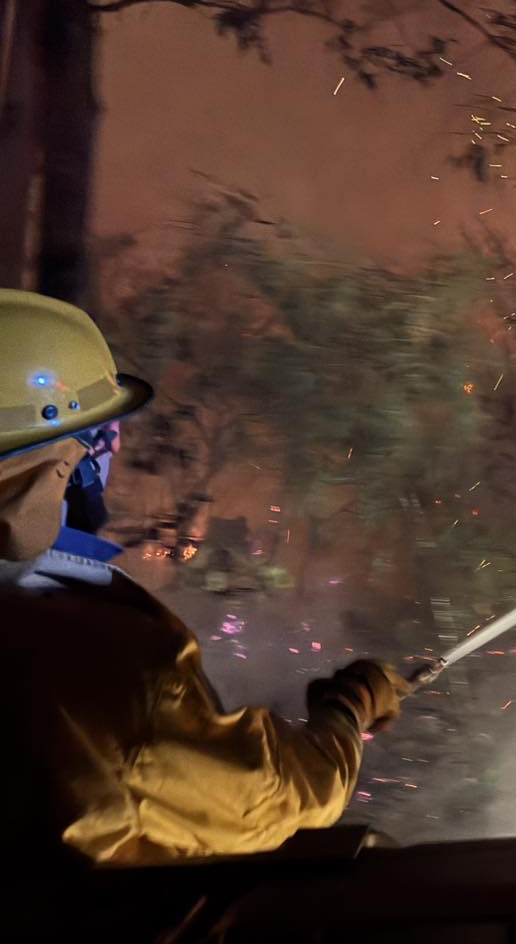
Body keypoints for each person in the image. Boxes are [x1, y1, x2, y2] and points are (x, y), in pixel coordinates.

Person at [0, 288, 411, 865]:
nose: (113, 456)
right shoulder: (106, 666)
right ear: (63, 464)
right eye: (102, 438)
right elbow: (279, 794)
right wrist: (351, 707)